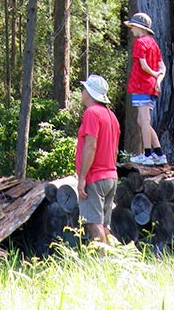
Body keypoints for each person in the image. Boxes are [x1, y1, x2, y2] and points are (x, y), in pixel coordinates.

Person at [76, 74, 120, 244]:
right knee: (104, 225)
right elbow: (115, 149)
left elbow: (90, 146)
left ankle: (102, 265)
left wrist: (82, 178)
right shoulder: (112, 116)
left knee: (94, 224)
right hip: (111, 177)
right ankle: (112, 259)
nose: (82, 92)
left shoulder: (91, 113)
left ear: (90, 93)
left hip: (95, 178)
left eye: (84, 89)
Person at [124, 12, 167, 166]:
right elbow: (163, 67)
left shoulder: (140, 42)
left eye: (132, 26)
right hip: (149, 87)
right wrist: (158, 80)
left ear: (139, 27)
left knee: (144, 120)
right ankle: (159, 153)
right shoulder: (153, 44)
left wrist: (155, 75)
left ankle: (147, 155)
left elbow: (143, 65)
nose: (131, 30)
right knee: (142, 121)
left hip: (141, 85)